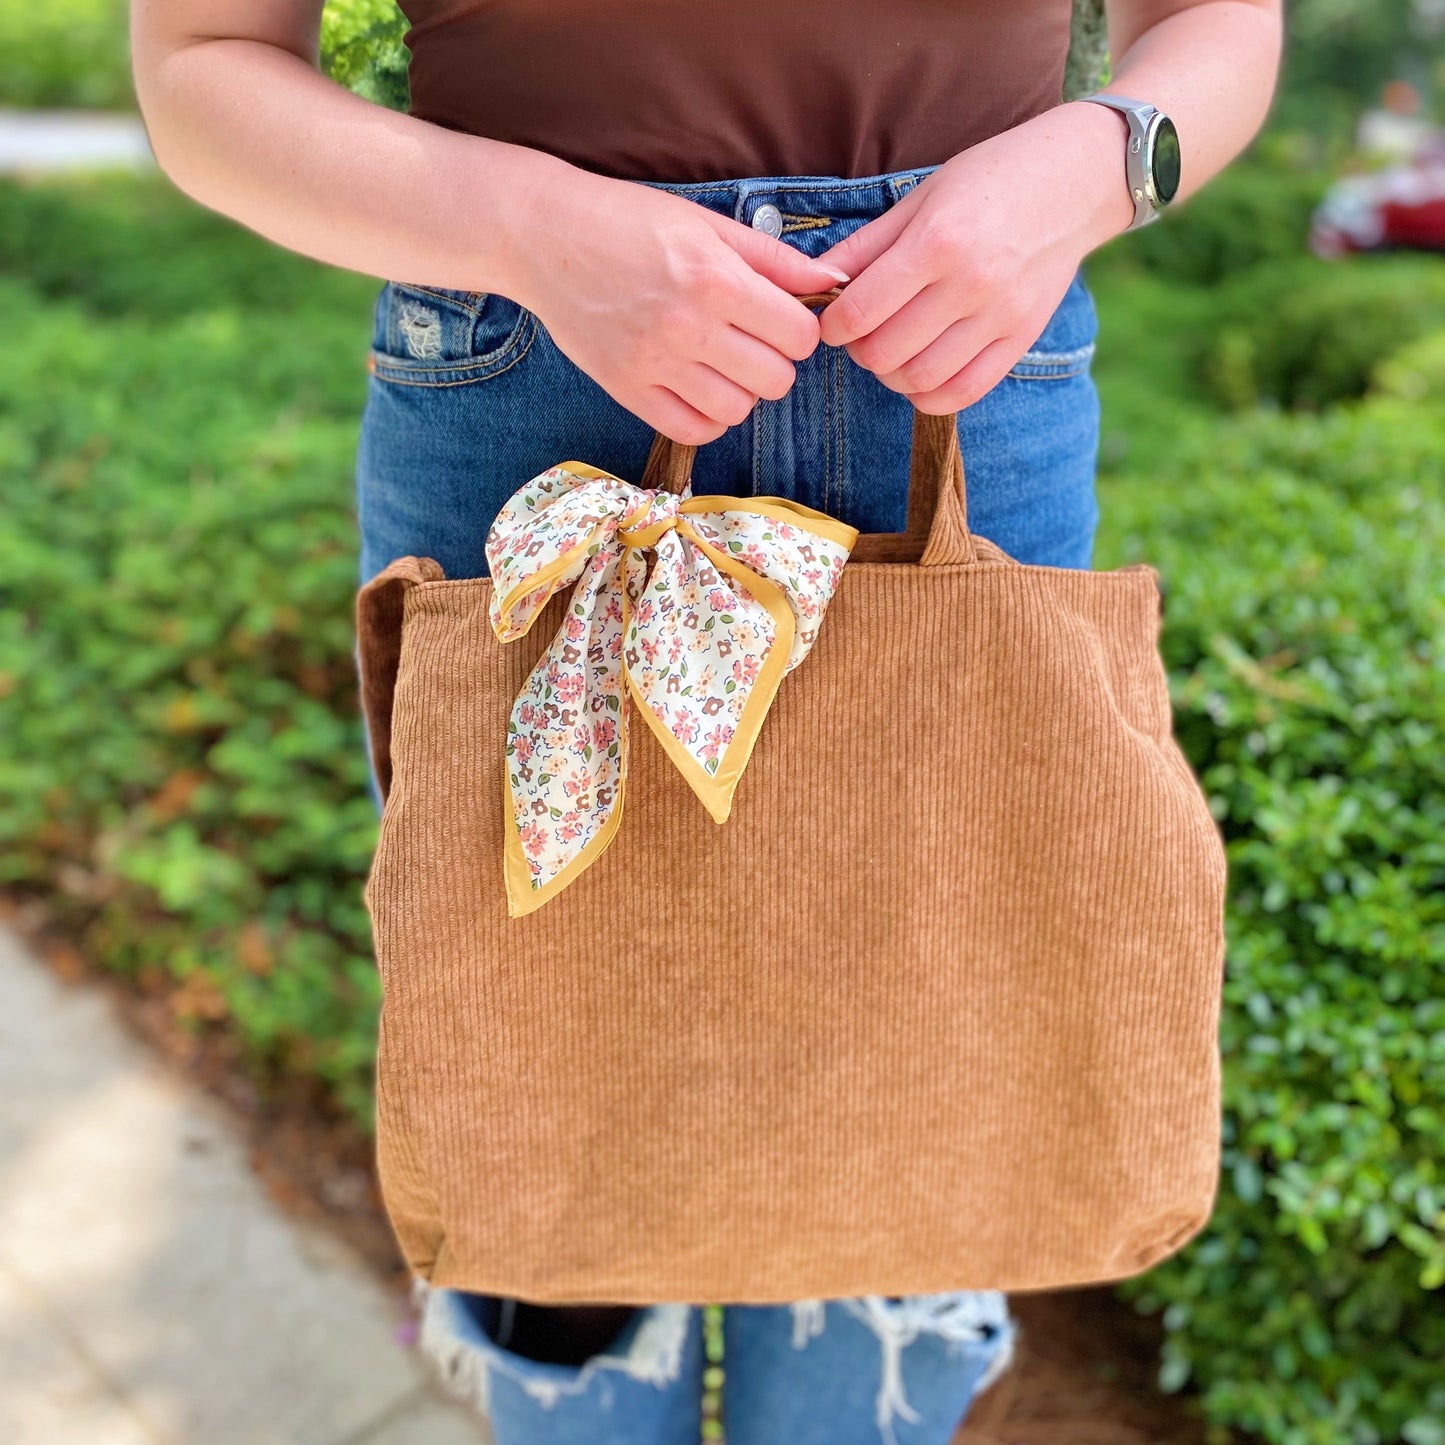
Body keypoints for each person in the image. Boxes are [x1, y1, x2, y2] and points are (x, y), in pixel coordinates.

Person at [130, 1, 1283, 1441]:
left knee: (927, 1135)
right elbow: (202, 69)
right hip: (537, 373)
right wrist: (527, 229)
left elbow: (1219, 24)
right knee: (552, 1151)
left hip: (966, 349)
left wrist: (1089, 168)